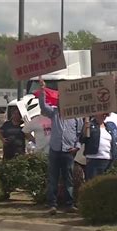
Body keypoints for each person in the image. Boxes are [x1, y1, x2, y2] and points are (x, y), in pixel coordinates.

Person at [39, 87, 83, 215]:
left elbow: (79, 134)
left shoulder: (76, 116)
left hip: (68, 151)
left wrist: (77, 147)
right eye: (59, 101)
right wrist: (42, 92)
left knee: (68, 178)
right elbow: (43, 106)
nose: (60, 102)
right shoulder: (54, 113)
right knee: (53, 178)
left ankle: (69, 204)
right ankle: (52, 204)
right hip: (55, 150)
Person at [81, 113, 117, 181]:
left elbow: (113, 143)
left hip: (107, 159)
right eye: (102, 114)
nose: (104, 116)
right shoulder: (90, 125)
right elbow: (82, 139)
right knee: (92, 182)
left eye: (106, 115)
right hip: (94, 159)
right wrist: (85, 129)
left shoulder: (108, 127)